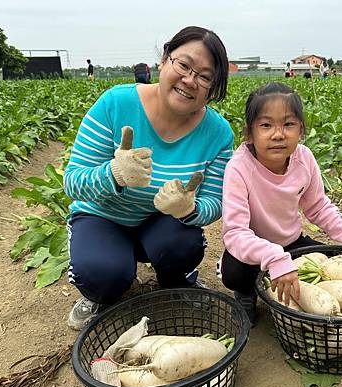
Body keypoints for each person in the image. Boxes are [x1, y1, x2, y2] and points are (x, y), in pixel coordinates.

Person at [64, 26, 233, 330]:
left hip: (160, 223)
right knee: (103, 274)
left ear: (212, 87)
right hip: (104, 217)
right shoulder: (116, 104)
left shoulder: (218, 133)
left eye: (205, 76)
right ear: (165, 60)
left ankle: (175, 280)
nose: (190, 80)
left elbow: (215, 201)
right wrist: (113, 174)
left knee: (184, 243)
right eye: (183, 65)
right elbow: (72, 181)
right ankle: (100, 290)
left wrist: (190, 209)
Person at [220, 82, 342, 324]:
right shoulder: (239, 167)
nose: (278, 134)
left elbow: (319, 208)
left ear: (301, 130)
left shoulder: (304, 158)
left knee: (334, 258)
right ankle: (247, 294)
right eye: (266, 125)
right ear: (249, 133)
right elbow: (235, 233)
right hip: (255, 250)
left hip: (292, 243)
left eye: (288, 124)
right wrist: (274, 258)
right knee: (233, 272)